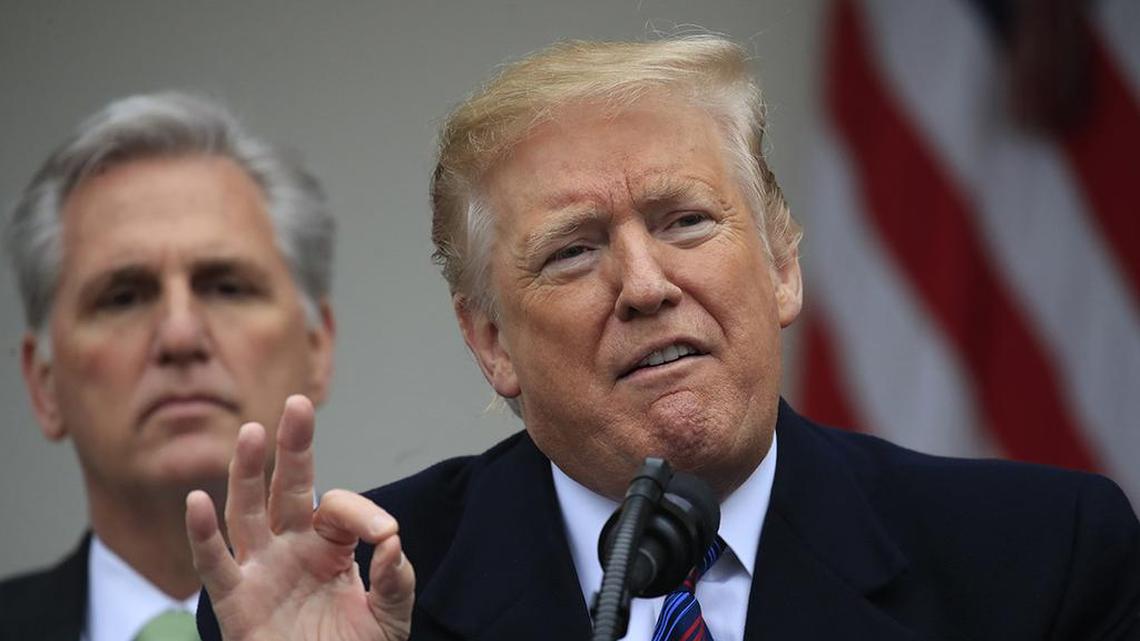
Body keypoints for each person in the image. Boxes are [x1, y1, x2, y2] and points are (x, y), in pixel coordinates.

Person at [190, 37, 1140, 640]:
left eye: (685, 221)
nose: (646, 286)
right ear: (490, 340)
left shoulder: (1041, 559)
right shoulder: (352, 590)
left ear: (782, 265)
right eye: (573, 251)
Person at [0, 92, 336, 641]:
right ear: (44, 387)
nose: (180, 336)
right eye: (123, 297)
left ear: (317, 348)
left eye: (226, 287)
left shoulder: (453, 615)